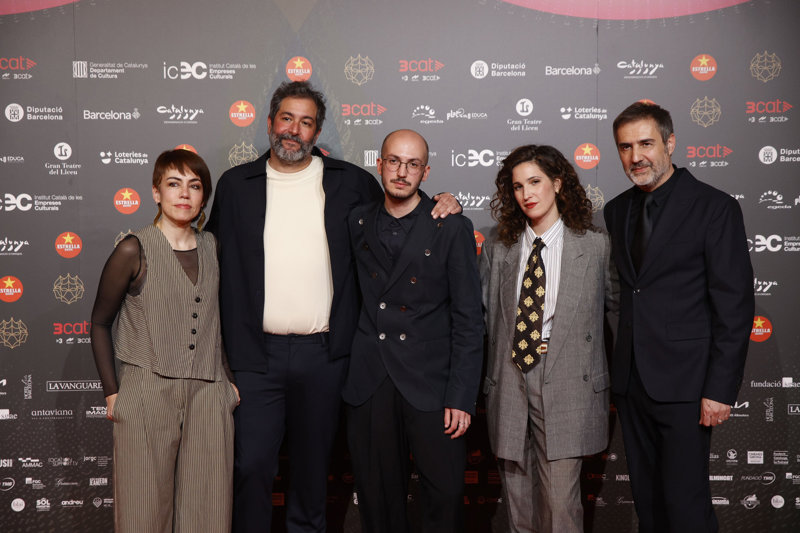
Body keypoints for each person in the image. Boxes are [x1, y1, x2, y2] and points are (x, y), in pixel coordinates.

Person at [205, 83, 460, 533]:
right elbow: (209, 261)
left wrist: (443, 199)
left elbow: (399, 207)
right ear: (270, 123)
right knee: (251, 467)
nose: (294, 130)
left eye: (306, 122)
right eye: (287, 118)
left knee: (312, 472)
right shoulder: (235, 186)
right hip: (255, 359)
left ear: (317, 132)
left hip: (325, 356)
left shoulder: (350, 183)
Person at [604, 101, 754, 532]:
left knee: (686, 505)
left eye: (646, 143)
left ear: (670, 143)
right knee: (648, 505)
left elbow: (734, 305)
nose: (636, 156)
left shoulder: (714, 207)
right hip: (632, 383)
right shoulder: (616, 210)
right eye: (626, 147)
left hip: (688, 385)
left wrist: (720, 389)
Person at [90, 149, 239, 533]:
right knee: (143, 513)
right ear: (156, 192)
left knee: (209, 514)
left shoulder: (213, 247)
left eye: (195, 186)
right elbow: (100, 322)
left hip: (209, 394)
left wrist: (227, 381)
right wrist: (112, 393)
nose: (184, 194)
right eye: (174, 184)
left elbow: (216, 320)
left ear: (204, 197)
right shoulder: (133, 249)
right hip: (147, 391)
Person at [344, 129, 483, 533]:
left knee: (445, 496)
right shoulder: (356, 221)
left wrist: (461, 396)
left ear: (426, 172)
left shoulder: (451, 227)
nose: (401, 172)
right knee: (378, 502)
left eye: (412, 164)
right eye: (394, 161)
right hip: (371, 380)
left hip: (431, 382)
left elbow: (469, 319)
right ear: (379, 164)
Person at [480, 144, 616, 532]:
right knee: (519, 509)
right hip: (510, 382)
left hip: (569, 384)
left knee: (560, 509)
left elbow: (619, 314)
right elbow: (484, 319)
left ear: (557, 184)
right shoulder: (498, 247)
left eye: (535, 182)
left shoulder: (595, 245)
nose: (527, 194)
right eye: (518, 186)